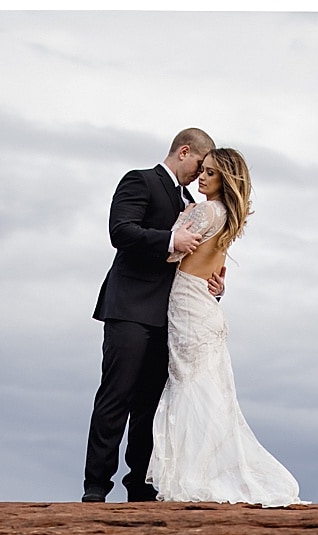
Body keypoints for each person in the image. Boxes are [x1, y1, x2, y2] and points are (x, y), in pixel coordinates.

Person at [146, 148, 307, 507]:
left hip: (188, 304)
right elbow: (212, 265)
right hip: (206, 306)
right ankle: (206, 470)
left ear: (226, 181)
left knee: (190, 387)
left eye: (211, 174)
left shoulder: (204, 211)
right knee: (209, 391)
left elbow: (172, 252)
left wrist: (181, 220)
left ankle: (192, 475)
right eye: (202, 171)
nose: (202, 178)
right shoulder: (229, 217)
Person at [83, 128, 224, 503]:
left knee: (151, 406)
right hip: (128, 308)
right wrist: (169, 241)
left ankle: (140, 487)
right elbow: (120, 231)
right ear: (183, 151)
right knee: (116, 397)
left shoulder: (194, 205)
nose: (200, 175)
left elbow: (194, 264)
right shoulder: (139, 180)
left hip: (171, 317)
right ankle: (96, 488)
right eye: (199, 165)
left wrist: (213, 289)